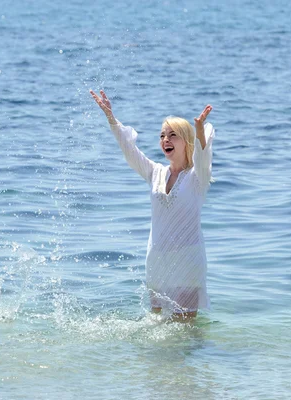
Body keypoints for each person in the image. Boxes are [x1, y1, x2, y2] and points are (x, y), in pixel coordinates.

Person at [90, 89, 214, 320]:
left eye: (172, 135)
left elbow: (203, 157)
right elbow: (129, 151)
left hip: (187, 260)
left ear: (186, 141)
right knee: (156, 327)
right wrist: (110, 118)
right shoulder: (155, 172)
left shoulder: (198, 177)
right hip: (157, 259)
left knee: (184, 332)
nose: (165, 140)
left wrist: (199, 131)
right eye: (162, 135)